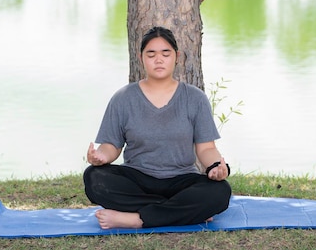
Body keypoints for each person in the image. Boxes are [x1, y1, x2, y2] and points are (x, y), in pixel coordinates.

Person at [84, 26, 232, 229]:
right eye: (151, 54)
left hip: (181, 180)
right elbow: (111, 146)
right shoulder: (123, 98)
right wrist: (100, 157)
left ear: (177, 57)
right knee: (94, 178)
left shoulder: (195, 98)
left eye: (166, 53)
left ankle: (135, 219)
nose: (159, 60)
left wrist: (216, 168)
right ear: (141, 57)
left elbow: (206, 149)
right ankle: (187, 212)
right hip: (138, 179)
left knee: (220, 192)